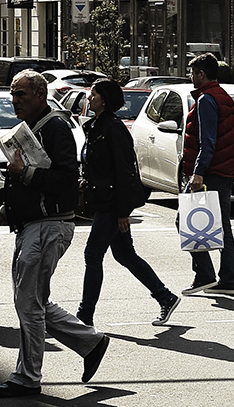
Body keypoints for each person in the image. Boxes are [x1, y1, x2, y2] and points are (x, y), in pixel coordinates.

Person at [0, 70, 109, 397]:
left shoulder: (55, 128)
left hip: (49, 226)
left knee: (28, 303)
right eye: (13, 94)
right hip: (33, 225)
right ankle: (91, 342)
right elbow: (25, 183)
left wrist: (26, 173)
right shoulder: (36, 128)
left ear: (41, 95)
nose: (15, 101)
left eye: (21, 94)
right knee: (31, 301)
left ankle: (27, 377)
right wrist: (3, 212)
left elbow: (66, 179)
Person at [76, 80, 179, 326]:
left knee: (93, 254)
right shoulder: (96, 126)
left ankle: (85, 315)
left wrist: (123, 211)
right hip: (105, 201)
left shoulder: (113, 128)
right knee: (125, 254)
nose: (89, 98)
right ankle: (165, 297)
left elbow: (124, 171)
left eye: (94, 94)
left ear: (105, 99)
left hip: (112, 204)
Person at [182, 53, 234, 295]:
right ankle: (228, 279)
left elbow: (207, 142)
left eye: (192, 72)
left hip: (211, 172)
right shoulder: (224, 96)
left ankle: (205, 275)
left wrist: (198, 173)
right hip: (224, 170)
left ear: (201, 74)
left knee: (185, 220)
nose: (190, 76)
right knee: (222, 225)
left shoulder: (206, 99)